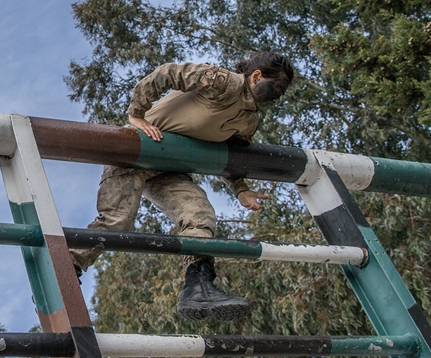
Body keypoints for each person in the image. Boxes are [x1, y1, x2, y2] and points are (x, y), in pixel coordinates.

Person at [68, 53, 295, 321]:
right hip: (135, 153)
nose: (277, 96)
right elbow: (168, 72)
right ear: (256, 76)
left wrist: (240, 189)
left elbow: (228, 155)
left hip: (170, 169)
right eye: (277, 87)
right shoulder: (224, 82)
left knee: (200, 216)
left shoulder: (248, 121)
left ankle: (198, 289)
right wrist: (136, 115)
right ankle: (67, 266)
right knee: (118, 220)